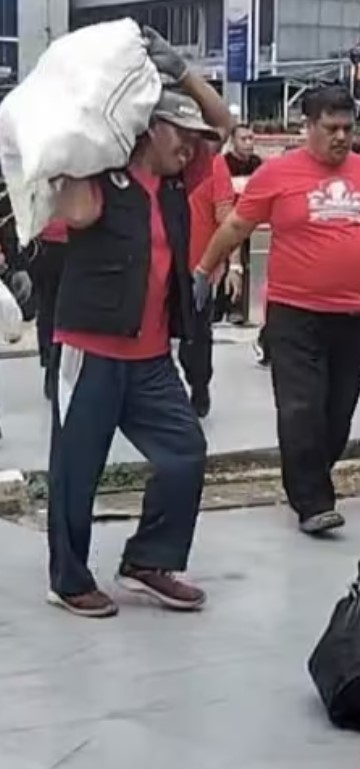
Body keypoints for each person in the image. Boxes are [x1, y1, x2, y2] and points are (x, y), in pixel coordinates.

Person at [196, 85, 360, 535]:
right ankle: (312, 501)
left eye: (348, 128)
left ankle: (311, 476)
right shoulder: (277, 174)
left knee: (338, 414)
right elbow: (236, 223)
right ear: (307, 127)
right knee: (300, 408)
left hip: (353, 315)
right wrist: (204, 269)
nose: (341, 137)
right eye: (330, 128)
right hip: (295, 314)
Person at [46, 28, 233, 618]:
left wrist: (182, 74)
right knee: (78, 469)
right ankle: (69, 578)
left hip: (151, 358)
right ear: (150, 129)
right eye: (181, 134)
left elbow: (224, 123)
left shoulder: (177, 184)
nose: (192, 146)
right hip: (91, 351)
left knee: (185, 453)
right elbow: (73, 210)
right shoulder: (102, 180)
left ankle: (148, 560)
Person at [177, 141, 237, 418]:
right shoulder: (158, 160)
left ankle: (199, 386)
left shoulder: (214, 163)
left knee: (197, 334)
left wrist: (232, 263)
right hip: (162, 265)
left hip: (200, 265)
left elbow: (227, 218)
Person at [217, 123, 263, 327]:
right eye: (243, 139)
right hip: (227, 220)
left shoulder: (258, 164)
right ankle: (222, 307)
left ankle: (239, 309)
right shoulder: (224, 164)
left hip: (250, 221)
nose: (248, 143)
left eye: (251, 138)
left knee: (245, 263)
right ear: (232, 141)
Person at [31, 220, 69, 400]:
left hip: (75, 241)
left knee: (52, 310)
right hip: (50, 243)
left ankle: (54, 367)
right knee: (50, 310)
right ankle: (52, 367)